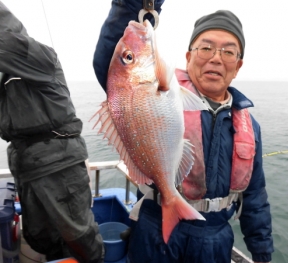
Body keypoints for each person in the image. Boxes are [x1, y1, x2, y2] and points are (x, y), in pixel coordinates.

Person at [93, 1, 274, 262]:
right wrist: (133, 5)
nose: (215, 57)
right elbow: (113, 65)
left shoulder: (248, 126)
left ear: (238, 66)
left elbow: (255, 196)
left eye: (228, 52)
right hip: (155, 229)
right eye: (206, 48)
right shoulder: (162, 91)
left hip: (216, 239)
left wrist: (262, 253)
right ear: (188, 57)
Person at [0, 2, 104, 262]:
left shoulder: (41, 57)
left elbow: (7, 44)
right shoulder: (5, 80)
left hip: (59, 166)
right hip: (26, 166)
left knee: (79, 237)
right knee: (39, 235)